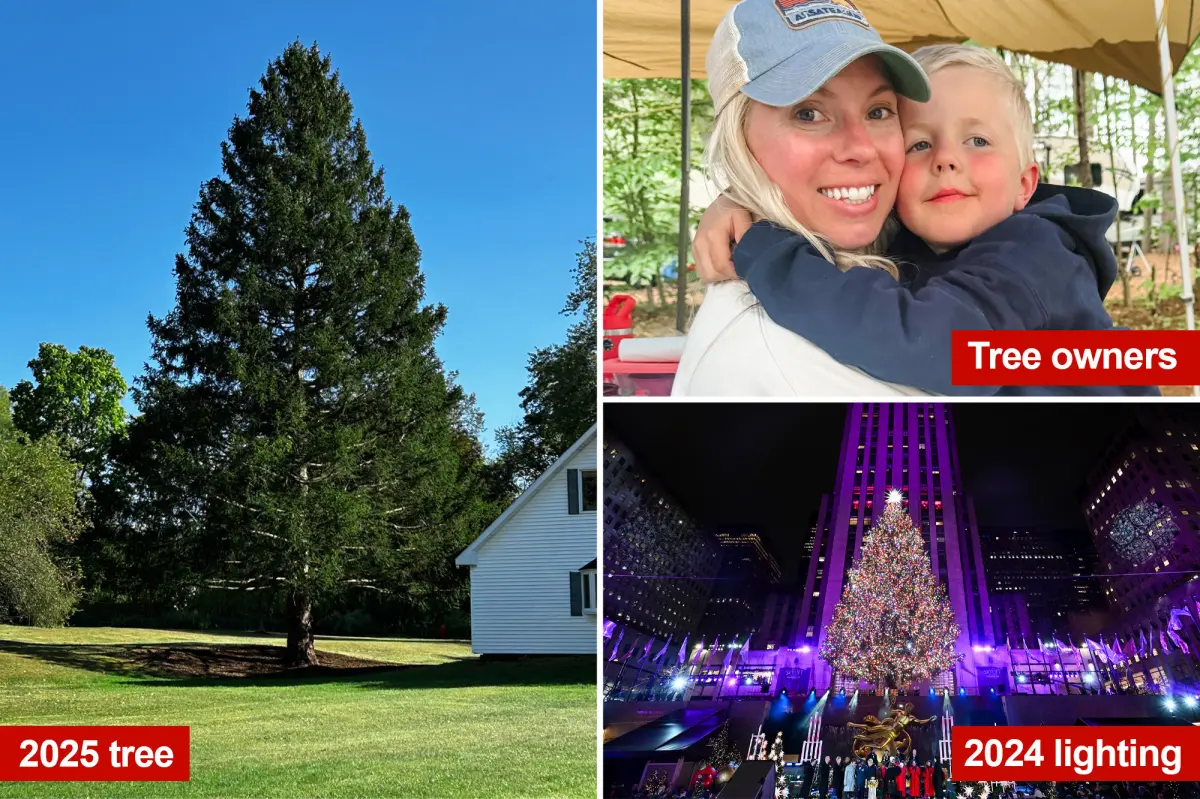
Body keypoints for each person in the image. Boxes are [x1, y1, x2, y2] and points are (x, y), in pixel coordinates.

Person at [692, 43, 1158, 398]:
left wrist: (770, 250)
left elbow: (940, 351)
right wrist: (740, 198)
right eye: (919, 145)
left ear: (1025, 184)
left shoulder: (1037, 252)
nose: (947, 160)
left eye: (977, 141)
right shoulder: (904, 243)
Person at [670, 0, 934, 396]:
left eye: (878, 112)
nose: (860, 148)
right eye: (808, 113)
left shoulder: (911, 245)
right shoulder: (765, 360)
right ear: (739, 142)